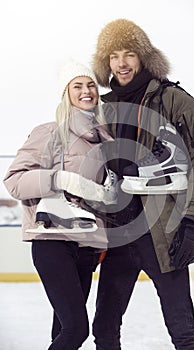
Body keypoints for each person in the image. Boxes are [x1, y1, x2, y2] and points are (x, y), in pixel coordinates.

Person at [91, 18, 194, 349]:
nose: (121, 63)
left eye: (129, 54)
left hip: (165, 233)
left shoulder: (174, 99)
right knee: (104, 331)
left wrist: (191, 222)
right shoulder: (103, 110)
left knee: (183, 332)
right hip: (120, 236)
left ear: (144, 57)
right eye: (114, 56)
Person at [3, 61, 117, 350]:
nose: (86, 91)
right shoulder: (49, 133)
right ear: (66, 94)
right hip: (52, 240)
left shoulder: (107, 141)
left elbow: (107, 198)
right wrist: (59, 179)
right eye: (77, 86)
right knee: (77, 328)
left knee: (63, 331)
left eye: (90, 84)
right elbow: (14, 181)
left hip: (88, 246)